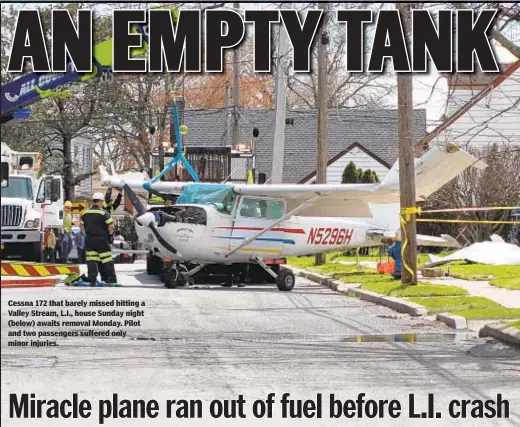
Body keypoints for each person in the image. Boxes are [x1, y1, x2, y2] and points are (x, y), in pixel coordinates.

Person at [80, 193, 118, 286]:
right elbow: (111, 226)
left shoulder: (85, 212)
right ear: (100, 201)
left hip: (89, 239)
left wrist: (87, 234)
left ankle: (92, 280)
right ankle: (111, 280)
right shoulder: (104, 212)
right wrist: (110, 234)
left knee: (91, 260)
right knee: (107, 259)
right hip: (102, 239)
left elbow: (81, 226)